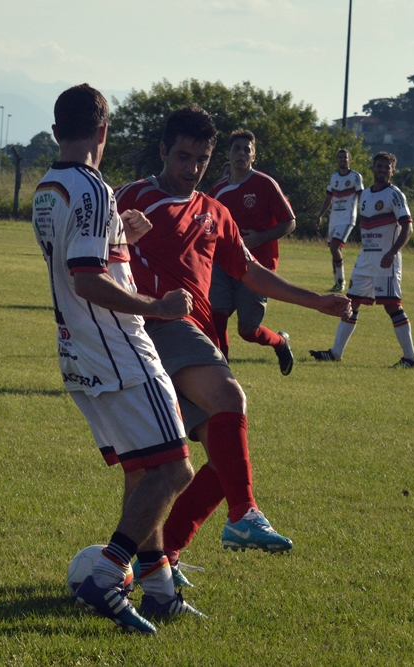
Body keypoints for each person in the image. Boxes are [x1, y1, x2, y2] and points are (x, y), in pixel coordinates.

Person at [115, 105, 353, 574]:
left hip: (191, 335)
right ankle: (244, 515)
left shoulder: (215, 211)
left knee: (220, 457)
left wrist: (317, 302)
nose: (192, 169)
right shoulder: (133, 197)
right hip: (157, 326)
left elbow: (251, 272)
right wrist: (120, 231)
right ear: (163, 151)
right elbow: (89, 246)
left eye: (201, 159)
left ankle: (162, 558)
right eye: (183, 157)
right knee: (229, 400)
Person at [33, 84, 204, 634]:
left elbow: (78, 260)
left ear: (57, 129)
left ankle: (160, 593)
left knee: (146, 471)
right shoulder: (93, 188)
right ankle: (107, 576)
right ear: (103, 131)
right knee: (175, 469)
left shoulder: (48, 188)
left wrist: (117, 234)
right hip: (120, 351)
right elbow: (87, 280)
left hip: (80, 353)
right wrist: (159, 306)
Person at [310, 152, 414, 368]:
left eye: (387, 167)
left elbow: (408, 227)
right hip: (365, 259)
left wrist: (392, 252)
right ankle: (335, 353)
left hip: (385, 261)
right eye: (379, 166)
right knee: (351, 304)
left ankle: (410, 358)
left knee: (392, 307)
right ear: (372, 168)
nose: (382, 170)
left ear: (392, 171)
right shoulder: (366, 195)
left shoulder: (395, 195)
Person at [206, 130, 297, 374]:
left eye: (247, 150)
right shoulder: (217, 189)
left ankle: (280, 342)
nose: (241, 153)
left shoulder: (265, 184)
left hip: (257, 267)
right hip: (223, 263)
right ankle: (223, 373)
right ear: (228, 154)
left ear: (253, 156)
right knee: (217, 315)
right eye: (237, 148)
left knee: (247, 330)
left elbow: (290, 222)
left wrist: (260, 237)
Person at [316, 149, 364, 292]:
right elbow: (328, 198)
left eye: (345, 157)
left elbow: (361, 196)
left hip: (347, 217)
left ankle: (341, 282)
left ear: (350, 160)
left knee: (334, 247)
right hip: (334, 218)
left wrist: (365, 215)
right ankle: (337, 283)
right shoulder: (334, 177)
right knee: (335, 250)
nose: (343, 159)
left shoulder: (355, 177)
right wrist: (320, 215)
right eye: (340, 157)